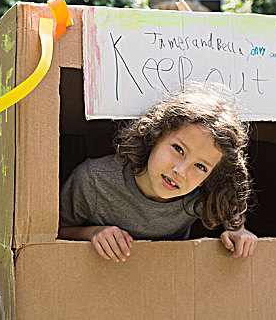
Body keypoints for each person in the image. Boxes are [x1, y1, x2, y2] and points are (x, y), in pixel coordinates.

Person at [58, 88, 257, 263]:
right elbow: (53, 230)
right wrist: (92, 233)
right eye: (178, 149)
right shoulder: (94, 180)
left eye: (201, 166)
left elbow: (231, 206)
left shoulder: (203, 195)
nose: (181, 170)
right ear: (155, 136)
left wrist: (237, 230)